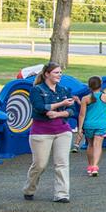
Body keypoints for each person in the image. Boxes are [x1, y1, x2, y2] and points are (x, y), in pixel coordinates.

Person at [24, 63, 77, 203]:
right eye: (56, 72)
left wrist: (59, 114)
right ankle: (29, 189)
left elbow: (73, 110)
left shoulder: (64, 90)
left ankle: (62, 194)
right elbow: (40, 107)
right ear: (47, 74)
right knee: (40, 164)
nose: (59, 75)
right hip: (41, 132)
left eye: (60, 72)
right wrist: (61, 104)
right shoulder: (36, 90)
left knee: (62, 163)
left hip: (63, 130)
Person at [76, 76, 106, 176]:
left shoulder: (85, 99)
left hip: (89, 125)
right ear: (101, 85)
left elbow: (82, 115)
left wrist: (80, 128)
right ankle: (94, 166)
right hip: (101, 124)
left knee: (90, 145)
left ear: (89, 86)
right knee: (98, 145)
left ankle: (90, 165)